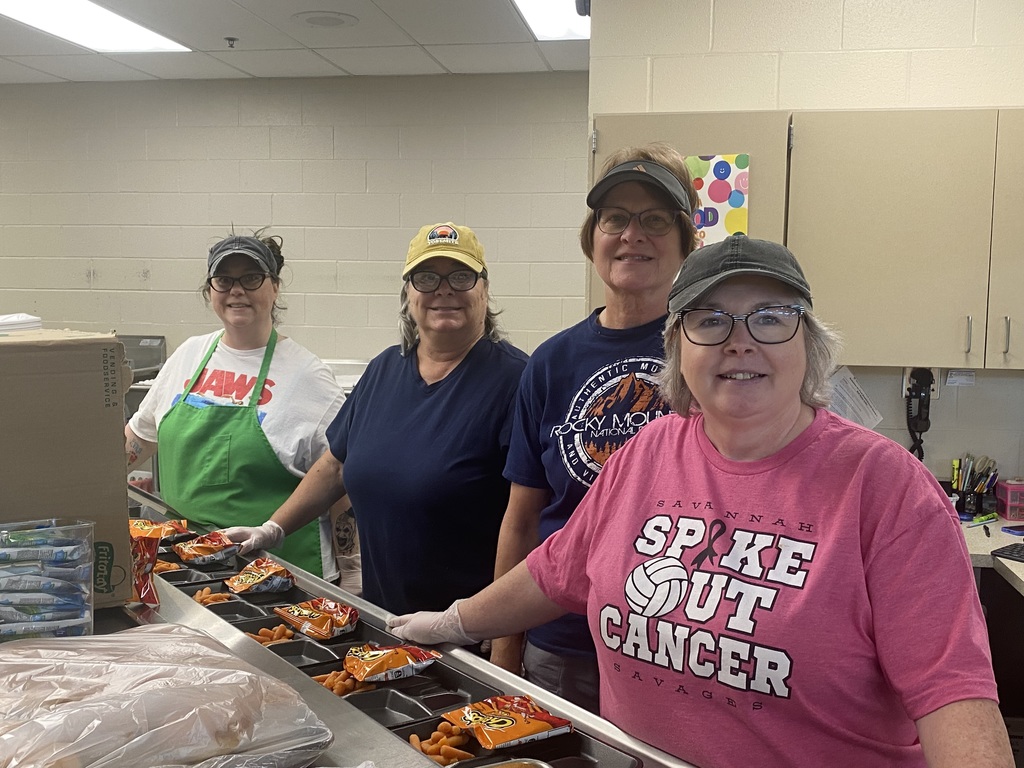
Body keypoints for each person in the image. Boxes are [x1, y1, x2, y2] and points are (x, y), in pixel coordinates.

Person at [388, 234, 1013, 768]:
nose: (739, 341)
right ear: (677, 348)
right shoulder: (649, 451)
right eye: (709, 320)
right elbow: (555, 571)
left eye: (770, 316)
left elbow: (951, 693)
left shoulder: (885, 486)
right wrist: (452, 622)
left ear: (809, 342)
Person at [224, 222, 528, 616]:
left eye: (461, 276)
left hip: (467, 628)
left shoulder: (517, 381)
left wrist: (499, 622)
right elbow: (335, 465)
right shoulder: (385, 369)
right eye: (426, 277)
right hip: (386, 616)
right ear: (408, 294)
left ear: (484, 290)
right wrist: (273, 528)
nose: (443, 289)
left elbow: (532, 516)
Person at [490, 143, 700, 712]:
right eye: (615, 218)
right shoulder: (551, 363)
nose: (633, 234)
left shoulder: (712, 352)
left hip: (676, 650)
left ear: (687, 241)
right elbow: (523, 517)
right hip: (561, 645)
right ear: (593, 237)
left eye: (655, 219)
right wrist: (505, 649)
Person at [125, 232, 345, 579]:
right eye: (224, 279)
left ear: (274, 287)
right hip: (185, 562)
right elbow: (139, 438)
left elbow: (340, 476)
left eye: (251, 278)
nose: (236, 290)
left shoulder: (308, 377)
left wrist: (352, 569)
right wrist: (84, 486)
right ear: (210, 290)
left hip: (279, 574)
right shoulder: (189, 355)